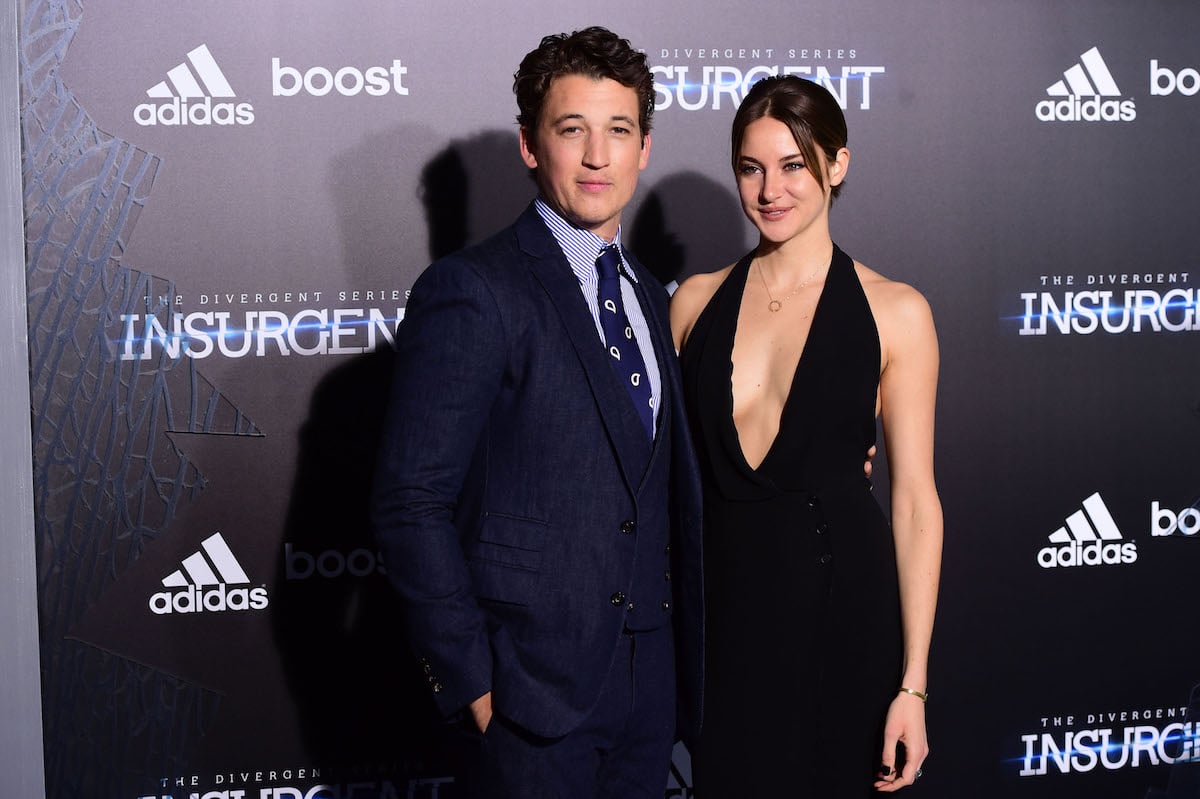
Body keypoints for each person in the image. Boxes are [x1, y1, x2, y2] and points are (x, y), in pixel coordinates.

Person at [371, 27, 703, 799]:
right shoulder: (473, 289)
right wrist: (470, 678)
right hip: (524, 697)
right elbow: (409, 498)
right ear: (530, 145)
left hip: (649, 694)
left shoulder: (654, 298)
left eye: (618, 131)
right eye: (571, 129)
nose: (597, 156)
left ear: (644, 147)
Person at [670, 75, 942, 796]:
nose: (770, 190)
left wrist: (911, 686)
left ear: (838, 164)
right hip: (722, 625)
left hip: (842, 618)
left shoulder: (897, 311)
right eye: (751, 168)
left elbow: (915, 502)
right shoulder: (692, 303)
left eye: (793, 165)